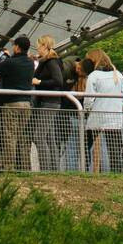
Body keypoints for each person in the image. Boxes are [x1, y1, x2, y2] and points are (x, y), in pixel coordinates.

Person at [0, 36, 37, 172]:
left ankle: (9, 167)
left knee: (10, 136)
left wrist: (2, 57)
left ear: (17, 47)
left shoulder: (10, 62)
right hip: (26, 103)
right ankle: (24, 167)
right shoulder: (30, 63)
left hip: (11, 103)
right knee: (21, 136)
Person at [33, 36, 76, 173]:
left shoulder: (51, 62)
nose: (37, 48)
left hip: (50, 102)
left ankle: (46, 170)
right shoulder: (46, 61)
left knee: (39, 136)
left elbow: (58, 81)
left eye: (39, 45)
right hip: (49, 101)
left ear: (45, 46)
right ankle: (53, 170)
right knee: (49, 137)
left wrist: (39, 82)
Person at [83, 48, 123, 173]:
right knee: (114, 151)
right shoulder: (118, 74)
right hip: (115, 119)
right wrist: (119, 111)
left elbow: (89, 99)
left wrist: (88, 110)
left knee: (91, 148)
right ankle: (116, 175)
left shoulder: (93, 76)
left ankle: (92, 173)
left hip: (97, 119)